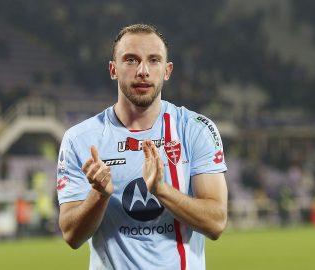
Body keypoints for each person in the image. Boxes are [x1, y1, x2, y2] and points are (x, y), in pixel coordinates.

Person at [57, 24, 228, 269]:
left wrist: (160, 189)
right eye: (131, 60)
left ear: (167, 71)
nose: (143, 71)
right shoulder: (80, 139)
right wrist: (99, 194)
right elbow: (72, 235)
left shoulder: (195, 129)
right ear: (113, 69)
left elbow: (216, 223)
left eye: (154, 60)